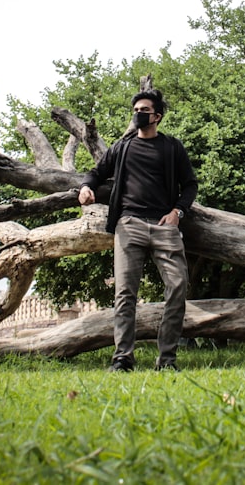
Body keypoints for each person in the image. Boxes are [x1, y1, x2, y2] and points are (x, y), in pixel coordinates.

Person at [78, 89, 198, 372]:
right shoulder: (123, 147)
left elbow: (190, 184)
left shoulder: (172, 147)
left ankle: (166, 359)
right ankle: (123, 358)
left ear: (157, 116)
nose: (138, 114)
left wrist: (177, 212)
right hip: (129, 224)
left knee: (178, 285)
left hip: (163, 226)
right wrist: (86, 187)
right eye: (135, 110)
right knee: (125, 293)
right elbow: (97, 172)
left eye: (144, 110)